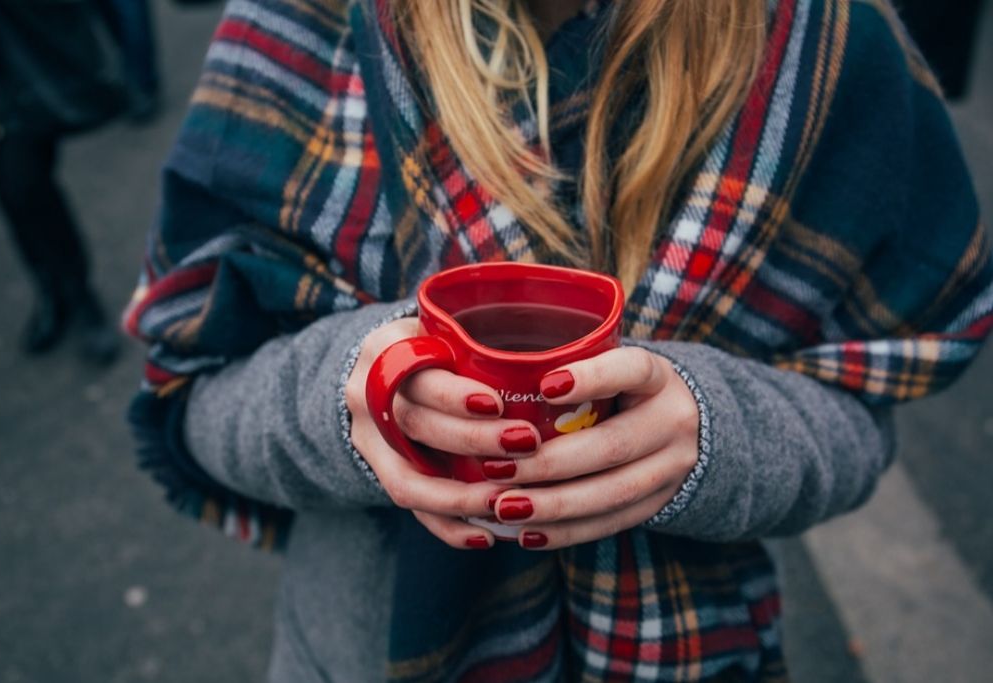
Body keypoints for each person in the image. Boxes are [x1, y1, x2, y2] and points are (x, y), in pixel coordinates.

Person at [124, 0, 993, 680]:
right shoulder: (309, 22)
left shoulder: (825, 45)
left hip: (685, 651)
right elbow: (195, 389)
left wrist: (712, 433)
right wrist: (350, 396)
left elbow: (859, 416)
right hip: (360, 653)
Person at [0, 0, 121, 364]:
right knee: (7, 195)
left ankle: (80, 293)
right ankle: (50, 291)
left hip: (17, 59)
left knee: (27, 184)